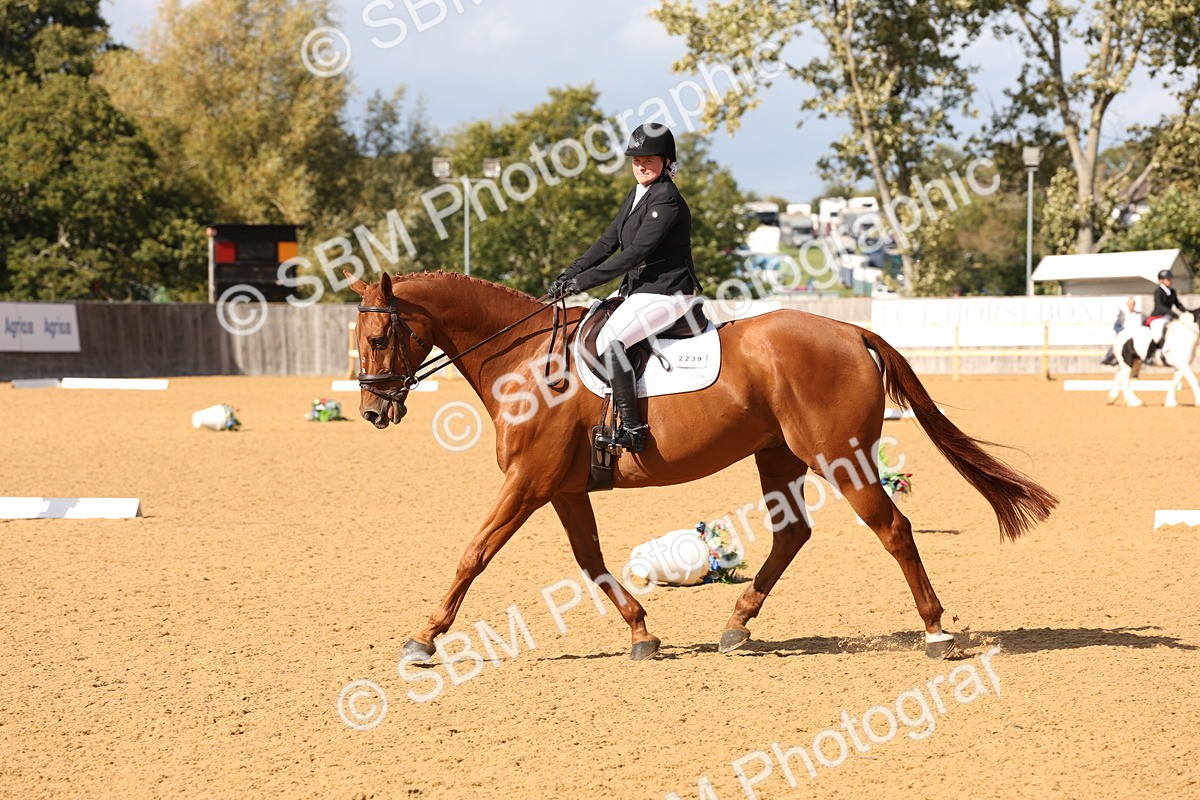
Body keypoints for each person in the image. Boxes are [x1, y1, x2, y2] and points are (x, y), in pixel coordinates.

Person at [547, 122, 700, 454]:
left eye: (649, 159)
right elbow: (608, 242)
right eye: (636, 159)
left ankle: (633, 429)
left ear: (667, 162)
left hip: (668, 292)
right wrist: (568, 274)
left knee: (610, 341)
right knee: (588, 330)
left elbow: (634, 254)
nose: (641, 165)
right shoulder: (638, 193)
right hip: (639, 290)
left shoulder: (667, 198)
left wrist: (582, 283)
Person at [1145, 269, 1193, 364]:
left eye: (1171, 279)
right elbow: (1160, 306)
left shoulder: (1172, 291)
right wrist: (1174, 314)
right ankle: (1148, 356)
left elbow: (1178, 305)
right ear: (1161, 280)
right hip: (1158, 317)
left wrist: (1189, 312)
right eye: (1168, 279)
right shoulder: (1158, 291)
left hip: (1168, 317)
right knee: (1157, 336)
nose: (1171, 281)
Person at [1101, 297, 1143, 366]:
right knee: (1116, 344)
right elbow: (1116, 327)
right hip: (1125, 335)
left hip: (1137, 336)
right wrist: (1121, 333)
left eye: (1132, 304)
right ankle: (1110, 358)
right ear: (1127, 305)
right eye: (1130, 304)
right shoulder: (1123, 315)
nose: (1131, 306)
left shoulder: (1139, 315)